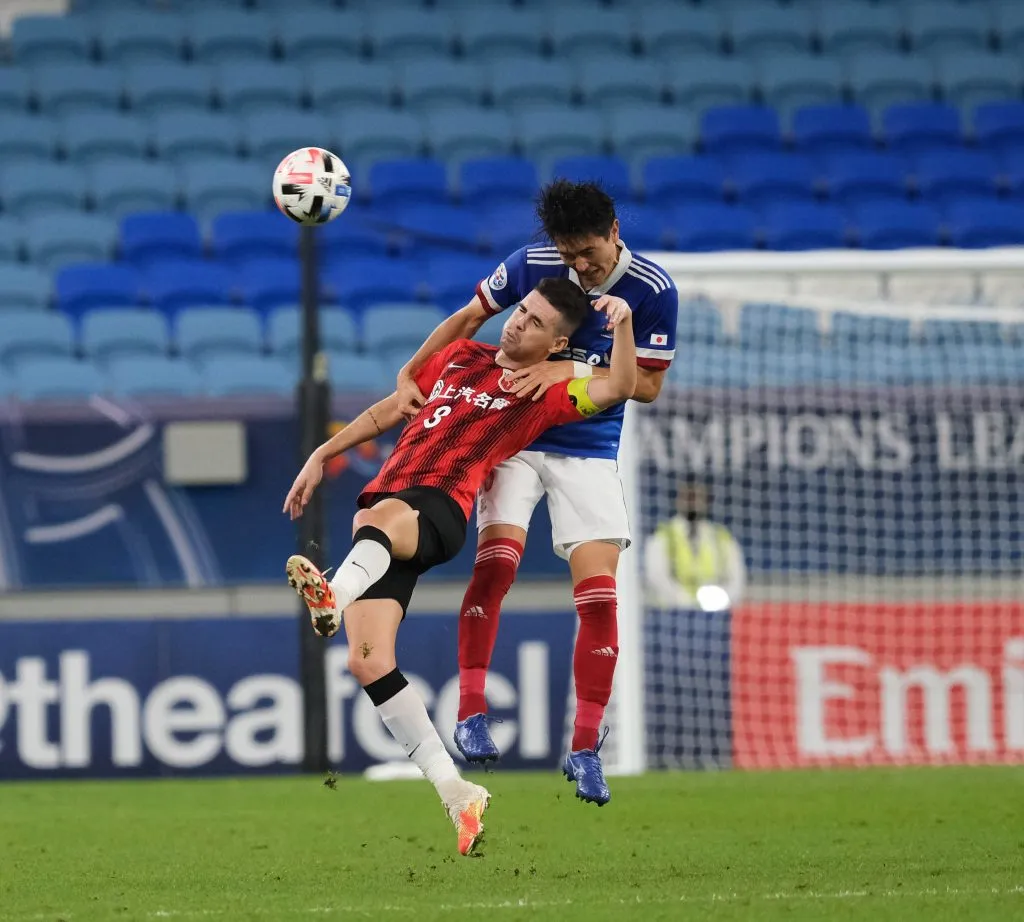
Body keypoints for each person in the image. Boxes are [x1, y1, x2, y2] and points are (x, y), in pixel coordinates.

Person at [282, 278, 636, 856]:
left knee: (390, 518)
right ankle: (457, 793)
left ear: (554, 346)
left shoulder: (543, 394)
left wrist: (621, 325)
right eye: (521, 310)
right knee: (368, 662)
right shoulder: (458, 356)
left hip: (439, 507)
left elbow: (620, 384)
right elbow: (389, 410)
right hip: (380, 513)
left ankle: (333, 594)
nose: (519, 321)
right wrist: (323, 453)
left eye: (536, 322)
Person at [395, 180, 678, 805]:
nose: (579, 266)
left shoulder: (652, 292)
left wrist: (566, 367)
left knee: (599, 598)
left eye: (588, 254)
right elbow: (470, 317)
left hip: (589, 445)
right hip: (515, 433)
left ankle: (584, 750)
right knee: (497, 564)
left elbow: (649, 387)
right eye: (568, 254)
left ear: (613, 233)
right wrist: (409, 374)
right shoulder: (532, 265)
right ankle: (470, 710)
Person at [644, 478, 746, 612]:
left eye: (697, 496)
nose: (692, 502)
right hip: (672, 615)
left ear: (706, 501)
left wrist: (720, 600)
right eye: (687, 496)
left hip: (715, 614)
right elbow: (656, 577)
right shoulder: (662, 536)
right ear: (677, 500)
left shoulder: (722, 537)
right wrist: (682, 600)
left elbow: (737, 581)